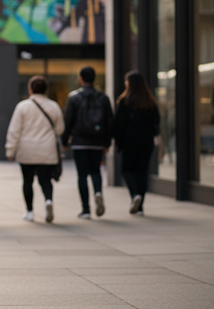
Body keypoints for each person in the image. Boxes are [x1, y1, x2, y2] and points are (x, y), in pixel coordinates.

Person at [5, 76, 64, 223]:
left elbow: (14, 130)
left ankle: (30, 211)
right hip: (46, 149)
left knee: (27, 181)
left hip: (27, 150)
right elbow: (60, 129)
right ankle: (48, 201)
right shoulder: (54, 106)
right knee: (45, 180)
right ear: (46, 89)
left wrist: (10, 150)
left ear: (30, 89)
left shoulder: (23, 107)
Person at [61, 66, 113, 219]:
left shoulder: (74, 97)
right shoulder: (103, 97)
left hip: (79, 142)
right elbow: (110, 122)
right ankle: (98, 192)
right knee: (96, 171)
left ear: (81, 78)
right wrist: (107, 143)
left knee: (82, 175)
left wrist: (65, 141)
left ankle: (85, 209)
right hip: (97, 142)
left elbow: (68, 121)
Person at [113, 71, 160, 216]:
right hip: (146, 141)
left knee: (127, 170)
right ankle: (140, 207)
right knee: (142, 172)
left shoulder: (125, 101)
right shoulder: (149, 101)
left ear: (130, 84)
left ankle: (135, 195)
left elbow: (118, 124)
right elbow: (156, 122)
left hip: (130, 141)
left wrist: (118, 142)